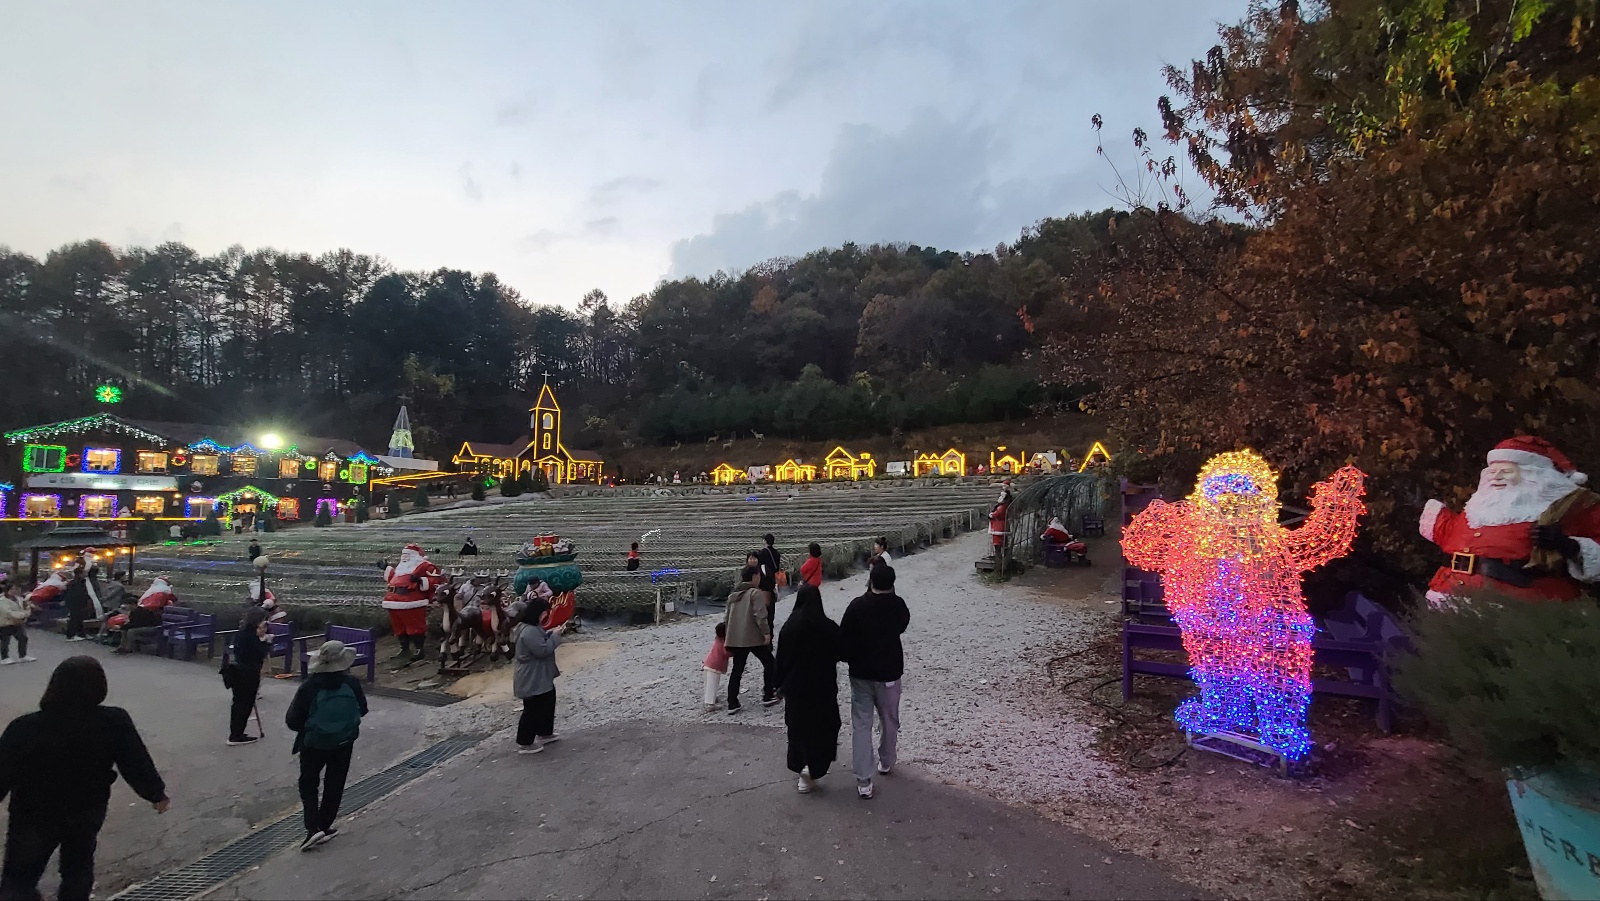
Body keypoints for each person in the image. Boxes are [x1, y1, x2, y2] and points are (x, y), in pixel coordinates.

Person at [0, 656, 168, 900]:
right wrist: (155, 793)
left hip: (34, 812)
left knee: (19, 877)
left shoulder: (25, 727)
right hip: (87, 807)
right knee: (78, 868)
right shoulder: (113, 721)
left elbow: (3, 769)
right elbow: (135, 760)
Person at [286, 641, 368, 852]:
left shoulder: (309, 687)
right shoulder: (352, 683)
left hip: (314, 743)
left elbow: (292, 720)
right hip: (344, 741)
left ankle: (313, 828)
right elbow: (363, 709)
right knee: (335, 783)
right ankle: (325, 825)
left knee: (308, 783)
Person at [839, 564, 910, 800]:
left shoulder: (857, 606)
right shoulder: (898, 606)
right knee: (889, 720)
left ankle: (863, 780)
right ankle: (887, 760)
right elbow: (902, 626)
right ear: (892, 583)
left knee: (861, 724)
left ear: (870, 581)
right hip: (889, 673)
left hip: (861, 674)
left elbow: (843, 640)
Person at [775, 585, 842, 793]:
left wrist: (778, 685)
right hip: (823, 687)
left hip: (795, 688)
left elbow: (781, 660)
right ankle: (816, 767)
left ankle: (802, 769)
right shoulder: (827, 627)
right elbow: (842, 651)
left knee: (798, 729)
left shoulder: (789, 627)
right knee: (824, 727)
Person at [512, 596, 563, 754]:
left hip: (539, 675)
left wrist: (550, 634)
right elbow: (542, 650)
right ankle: (525, 742)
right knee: (533, 709)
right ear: (539, 613)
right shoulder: (529, 631)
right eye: (545, 613)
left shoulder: (529, 627)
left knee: (547, 701)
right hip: (532, 676)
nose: (546, 615)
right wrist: (555, 636)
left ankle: (545, 732)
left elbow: (541, 641)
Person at [723, 564, 777, 713]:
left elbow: (727, 618)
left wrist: (728, 636)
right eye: (758, 575)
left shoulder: (734, 595)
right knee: (769, 663)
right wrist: (766, 633)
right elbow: (760, 615)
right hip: (753, 637)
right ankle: (768, 694)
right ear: (754, 577)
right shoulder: (755, 593)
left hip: (737, 638)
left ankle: (732, 702)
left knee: (737, 669)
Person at [382, 544, 440, 662]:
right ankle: (404, 648)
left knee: (415, 626)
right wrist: (386, 568)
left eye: (407, 555)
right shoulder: (401, 567)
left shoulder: (425, 566)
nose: (404, 557)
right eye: (403, 554)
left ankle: (419, 649)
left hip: (411, 601)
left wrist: (420, 580)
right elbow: (394, 578)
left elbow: (435, 580)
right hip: (393, 600)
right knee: (398, 626)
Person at [227, 609, 271, 746]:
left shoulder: (242, 633)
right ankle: (236, 735)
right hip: (248, 673)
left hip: (237, 671)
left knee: (238, 703)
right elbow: (259, 654)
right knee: (245, 704)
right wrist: (265, 642)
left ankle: (236, 732)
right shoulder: (251, 637)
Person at [118, 577, 176, 655]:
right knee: (124, 630)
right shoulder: (133, 612)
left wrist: (124, 626)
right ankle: (121, 647)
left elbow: (138, 623)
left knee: (131, 631)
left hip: (152, 627)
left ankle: (129, 648)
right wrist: (124, 627)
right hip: (143, 626)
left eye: (127, 605)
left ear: (133, 605)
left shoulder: (142, 611)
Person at [0, 583, 36, 664]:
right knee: (5, 641)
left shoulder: (20, 599)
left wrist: (27, 612)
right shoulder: (2, 601)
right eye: (12, 589)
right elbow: (9, 613)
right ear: (7, 590)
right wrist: (23, 615)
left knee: (23, 638)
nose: (15, 591)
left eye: (17, 589)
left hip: (18, 623)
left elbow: (26, 607)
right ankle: (4, 657)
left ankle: (23, 656)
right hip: (5, 623)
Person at [701, 622, 729, 711]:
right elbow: (727, 653)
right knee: (713, 684)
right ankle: (710, 704)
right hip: (715, 666)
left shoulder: (717, 639)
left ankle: (709, 698)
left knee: (708, 684)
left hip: (707, 662)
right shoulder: (724, 643)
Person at [60, 567, 90, 642]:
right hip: (76, 603)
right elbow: (79, 594)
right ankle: (70, 635)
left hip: (74, 603)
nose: (85, 574)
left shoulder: (73, 582)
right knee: (74, 619)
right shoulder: (77, 583)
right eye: (84, 573)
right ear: (80, 574)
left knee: (79, 618)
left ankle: (81, 633)